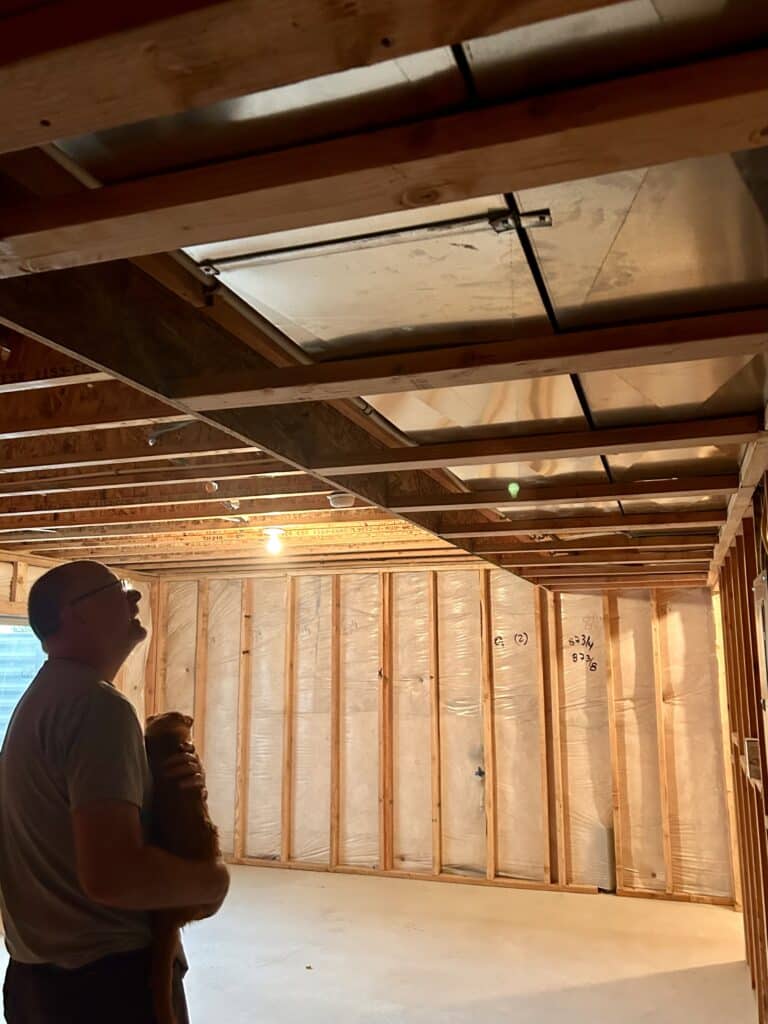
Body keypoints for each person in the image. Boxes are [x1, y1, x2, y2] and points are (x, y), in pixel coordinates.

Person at [0, 560, 229, 1023]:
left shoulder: (43, 701)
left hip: (41, 985)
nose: (134, 598)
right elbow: (113, 875)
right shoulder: (97, 707)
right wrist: (211, 882)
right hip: (107, 990)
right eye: (116, 588)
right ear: (76, 615)